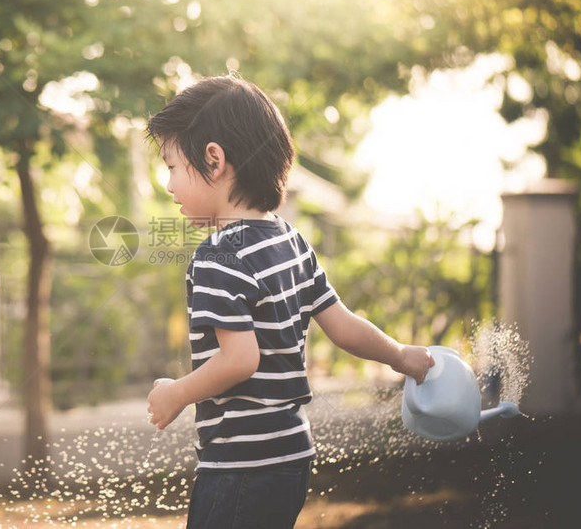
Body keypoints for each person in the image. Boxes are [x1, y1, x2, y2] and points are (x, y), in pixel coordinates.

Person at [145, 74, 435, 529]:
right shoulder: (289, 240)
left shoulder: (218, 256)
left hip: (239, 464)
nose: (168, 184)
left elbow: (239, 359)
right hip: (291, 457)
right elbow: (342, 326)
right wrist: (400, 355)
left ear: (214, 160)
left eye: (172, 167)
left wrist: (176, 394)